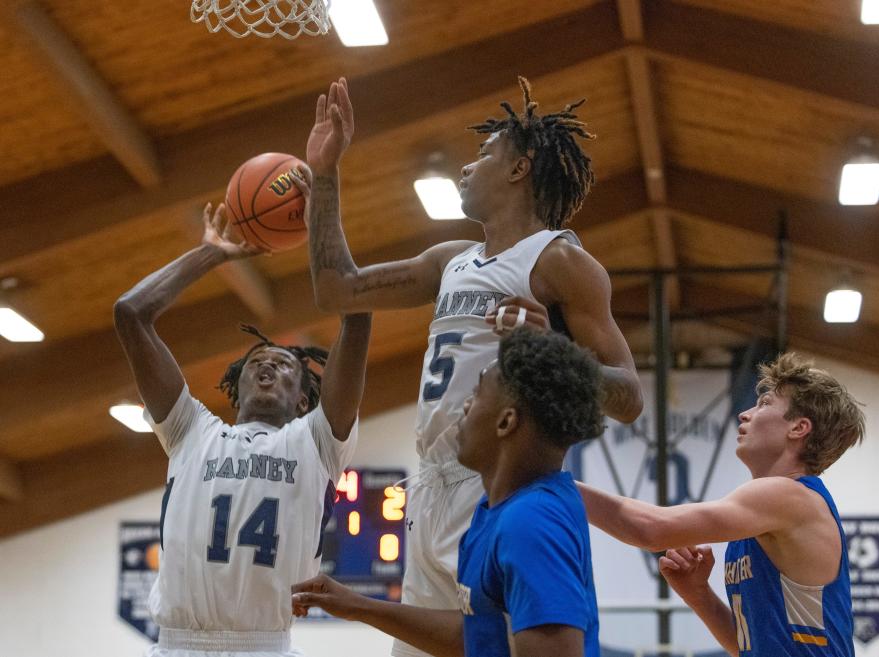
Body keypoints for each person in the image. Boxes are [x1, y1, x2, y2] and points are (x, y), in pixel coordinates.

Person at [299, 75, 643, 657]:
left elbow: (628, 397)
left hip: (494, 488)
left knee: (502, 646)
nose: (466, 167)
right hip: (428, 485)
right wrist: (326, 173)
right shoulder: (449, 261)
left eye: (483, 154)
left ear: (519, 169)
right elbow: (338, 291)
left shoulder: (560, 261)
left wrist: (554, 346)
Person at [113, 202, 372, 656]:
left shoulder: (316, 442)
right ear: (238, 382)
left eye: (287, 364)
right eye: (257, 361)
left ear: (305, 399)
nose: (269, 362)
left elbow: (358, 313)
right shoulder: (189, 429)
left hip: (264, 646)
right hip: (179, 645)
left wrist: (323, 232)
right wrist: (211, 255)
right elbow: (131, 313)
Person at [292, 328, 605, 657]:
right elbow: (477, 635)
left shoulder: (530, 522)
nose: (465, 405)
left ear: (506, 422)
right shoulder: (494, 512)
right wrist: (358, 606)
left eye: (477, 395)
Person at [577, 353, 865, 656]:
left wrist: (557, 485)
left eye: (765, 404)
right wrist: (699, 594)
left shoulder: (789, 497)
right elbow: (746, 647)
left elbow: (651, 529)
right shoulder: (769, 512)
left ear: (798, 428)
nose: (745, 414)